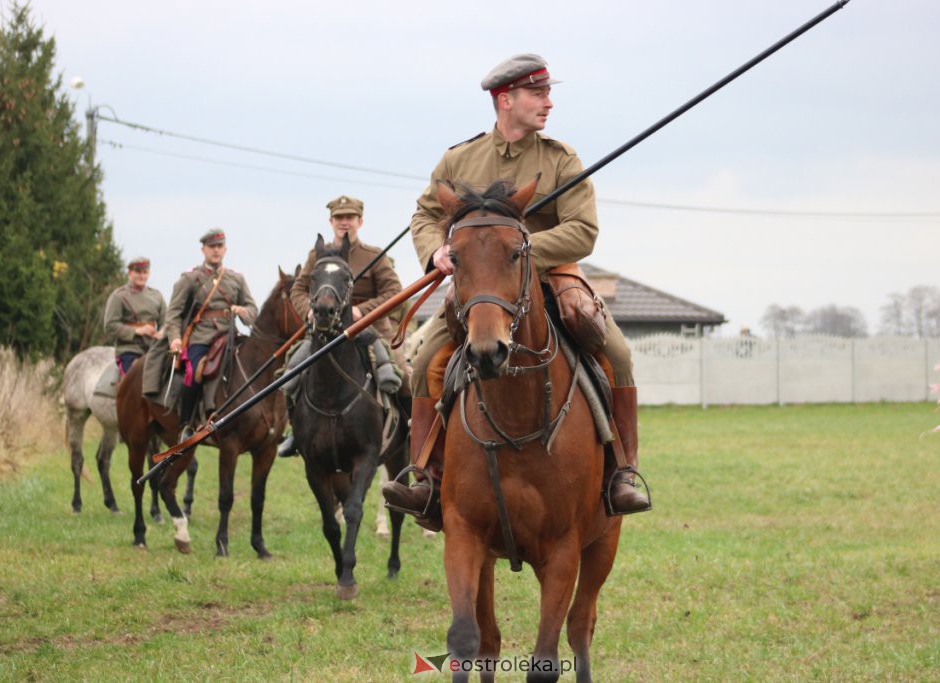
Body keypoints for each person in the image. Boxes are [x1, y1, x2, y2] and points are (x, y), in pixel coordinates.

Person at [382, 53, 650, 522]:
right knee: (424, 360)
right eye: (538, 93)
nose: (549, 102)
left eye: (548, 93)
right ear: (506, 100)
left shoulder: (560, 159)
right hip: (482, 288)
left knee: (619, 354)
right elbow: (425, 215)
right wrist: (436, 252)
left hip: (552, 277)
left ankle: (622, 472)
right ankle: (425, 478)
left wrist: (518, 250)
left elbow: (582, 230)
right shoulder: (459, 159)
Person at [277, 195, 406, 457]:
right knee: (291, 372)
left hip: (371, 331)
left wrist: (363, 310)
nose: (344, 222)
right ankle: (296, 432)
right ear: (331, 221)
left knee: (404, 376)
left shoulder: (374, 256)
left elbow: (394, 291)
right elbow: (299, 290)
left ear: (360, 221)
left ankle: (412, 430)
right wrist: (310, 311)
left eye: (349, 217)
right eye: (339, 218)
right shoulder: (317, 256)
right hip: (326, 332)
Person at [164, 229, 257, 437]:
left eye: (219, 247)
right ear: (203, 249)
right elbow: (173, 313)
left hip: (231, 335)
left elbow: (252, 310)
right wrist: (175, 338)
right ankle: (186, 424)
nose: (216, 251)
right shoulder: (191, 278)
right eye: (212, 247)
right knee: (194, 371)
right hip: (202, 337)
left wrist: (243, 311)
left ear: (225, 249)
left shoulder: (236, 278)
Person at [103, 256, 166, 375]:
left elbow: (167, 321)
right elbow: (110, 325)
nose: (142, 276)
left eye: (145, 272)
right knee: (135, 377)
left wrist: (162, 332)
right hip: (129, 349)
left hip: (154, 348)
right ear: (130, 273)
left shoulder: (157, 296)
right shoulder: (119, 296)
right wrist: (137, 330)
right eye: (138, 272)